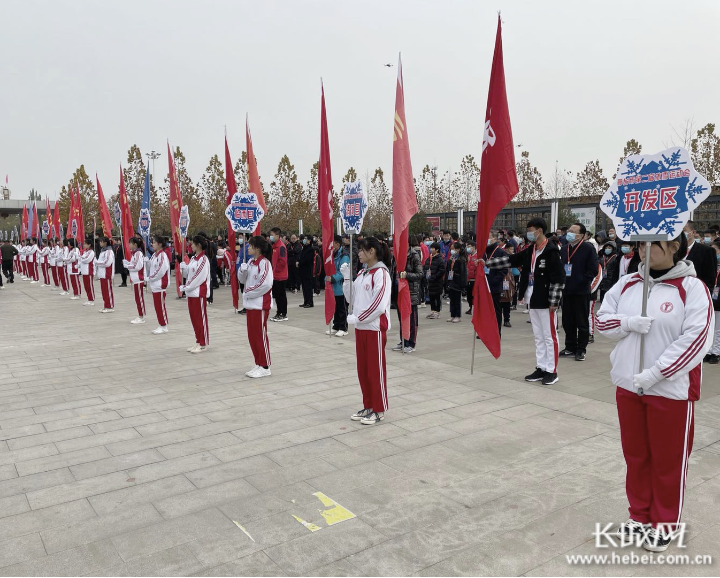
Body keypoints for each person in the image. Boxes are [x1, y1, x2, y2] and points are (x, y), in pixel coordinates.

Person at [597, 233, 715, 553]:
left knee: (668, 462)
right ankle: (639, 516)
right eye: (639, 245)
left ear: (674, 247)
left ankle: (664, 525)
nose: (641, 251)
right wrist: (629, 322)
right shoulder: (627, 284)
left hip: (670, 391)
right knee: (636, 457)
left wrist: (656, 373)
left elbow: (695, 341)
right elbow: (602, 322)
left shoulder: (692, 289)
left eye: (651, 244)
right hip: (628, 385)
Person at [485, 218, 565, 385]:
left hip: (546, 300)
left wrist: (554, 300)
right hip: (532, 297)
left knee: (549, 336)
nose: (529, 234)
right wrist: (486, 263)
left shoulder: (551, 251)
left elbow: (558, 278)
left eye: (531, 230)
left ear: (540, 231)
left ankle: (552, 371)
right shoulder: (531, 250)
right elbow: (511, 260)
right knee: (538, 336)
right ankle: (541, 367)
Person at [343, 237, 392, 425]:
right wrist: (347, 278)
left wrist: (359, 318)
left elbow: (379, 305)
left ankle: (379, 409)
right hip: (361, 329)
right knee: (363, 370)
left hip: (374, 329)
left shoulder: (381, 274)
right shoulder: (363, 273)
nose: (359, 253)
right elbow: (351, 299)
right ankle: (369, 405)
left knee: (375, 370)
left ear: (372, 252)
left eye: (362, 250)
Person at [559, 223, 599, 362]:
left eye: (572, 231)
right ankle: (570, 346)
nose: (569, 233)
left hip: (581, 291)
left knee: (581, 321)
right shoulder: (564, 249)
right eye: (568, 230)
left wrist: (583, 281)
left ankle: (581, 349)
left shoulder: (588, 248)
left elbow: (593, 269)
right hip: (566, 290)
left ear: (581, 235)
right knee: (567, 320)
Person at [238, 236, 275, 378]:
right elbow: (243, 280)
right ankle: (258, 362)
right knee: (252, 336)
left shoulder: (264, 263)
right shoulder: (250, 262)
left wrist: (248, 292)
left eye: (250, 246)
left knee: (260, 335)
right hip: (250, 304)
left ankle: (265, 366)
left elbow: (265, 284)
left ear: (257, 248)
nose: (248, 248)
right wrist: (242, 271)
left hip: (260, 304)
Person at [180, 235, 211, 354]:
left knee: (200, 318)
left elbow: (199, 277)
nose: (191, 245)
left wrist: (187, 287)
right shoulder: (193, 258)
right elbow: (189, 274)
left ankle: (203, 343)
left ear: (198, 245)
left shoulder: (203, 259)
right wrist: (185, 268)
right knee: (194, 318)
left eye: (192, 244)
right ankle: (198, 340)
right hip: (191, 293)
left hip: (198, 292)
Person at [393, 234, 423, 352]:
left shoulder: (414, 256)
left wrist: (407, 275)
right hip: (399, 291)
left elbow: (420, 274)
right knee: (401, 318)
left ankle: (411, 343)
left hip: (411, 293)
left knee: (411, 319)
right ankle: (403, 340)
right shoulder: (397, 256)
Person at [683, 221, 717, 294]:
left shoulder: (706, 251)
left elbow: (710, 279)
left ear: (693, 232)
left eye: (684, 231)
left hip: (697, 293)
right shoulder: (673, 251)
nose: (681, 234)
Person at [327, 235, 350, 337]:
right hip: (333, 286)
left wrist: (333, 278)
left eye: (332, 244)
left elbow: (342, 272)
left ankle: (343, 328)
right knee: (335, 307)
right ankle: (336, 326)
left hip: (341, 286)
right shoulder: (332, 255)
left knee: (342, 308)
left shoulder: (344, 256)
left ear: (337, 244)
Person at [483, 237, 508, 333]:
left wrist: (494, 280)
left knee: (496, 310)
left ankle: (496, 332)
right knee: (485, 311)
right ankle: (485, 331)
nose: (487, 239)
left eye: (489, 237)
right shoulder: (483, 252)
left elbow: (504, 270)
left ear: (494, 238)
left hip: (494, 287)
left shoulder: (500, 252)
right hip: (484, 286)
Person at [148, 235, 171, 335]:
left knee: (160, 306)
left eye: (154, 242)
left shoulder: (163, 255)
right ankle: (161, 324)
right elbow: (151, 267)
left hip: (160, 284)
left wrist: (151, 277)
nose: (152, 244)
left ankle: (164, 325)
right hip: (154, 284)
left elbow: (161, 270)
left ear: (160, 244)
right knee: (157, 306)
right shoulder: (154, 255)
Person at [123, 237, 147, 325]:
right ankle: (140, 315)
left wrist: (127, 266)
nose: (129, 245)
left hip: (139, 279)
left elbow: (137, 266)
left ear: (135, 244)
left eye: (130, 243)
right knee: (137, 299)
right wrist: (128, 263)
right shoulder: (134, 254)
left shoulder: (138, 253)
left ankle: (141, 316)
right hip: (136, 280)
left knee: (139, 299)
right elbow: (133, 264)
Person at [269, 227, 289, 322]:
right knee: (277, 295)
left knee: (281, 295)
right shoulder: (274, 246)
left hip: (280, 275)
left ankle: (283, 314)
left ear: (277, 235)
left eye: (272, 235)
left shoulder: (281, 247)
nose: (271, 237)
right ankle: (278, 312)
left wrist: (275, 270)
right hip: (275, 275)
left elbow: (282, 262)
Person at [706, 240, 720, 364]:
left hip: (718, 302)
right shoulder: (712, 266)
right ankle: (709, 351)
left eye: (715, 251)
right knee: (710, 327)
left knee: (718, 329)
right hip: (711, 299)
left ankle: (716, 352)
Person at [424, 242, 445, 320]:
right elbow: (425, 267)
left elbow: (442, 270)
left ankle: (437, 312)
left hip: (437, 281)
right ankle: (432, 311)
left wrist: (435, 277)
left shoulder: (440, 259)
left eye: (433, 248)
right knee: (431, 296)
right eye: (431, 248)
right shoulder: (429, 258)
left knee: (437, 297)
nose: (431, 249)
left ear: (437, 250)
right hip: (430, 281)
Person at [447, 242, 468, 323]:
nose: (452, 250)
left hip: (457, 281)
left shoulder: (461, 259)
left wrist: (463, 284)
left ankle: (457, 315)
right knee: (452, 299)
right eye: (451, 249)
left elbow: (463, 273)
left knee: (457, 300)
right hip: (451, 280)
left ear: (458, 249)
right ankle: (452, 315)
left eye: (453, 249)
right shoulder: (452, 258)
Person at [95, 236, 116, 313]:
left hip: (107, 273)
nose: (100, 243)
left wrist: (97, 263)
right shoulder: (102, 251)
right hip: (102, 274)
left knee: (108, 290)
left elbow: (107, 263)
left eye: (101, 241)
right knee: (104, 291)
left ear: (105, 242)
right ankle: (106, 305)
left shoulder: (109, 251)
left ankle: (110, 306)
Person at [298, 235, 315, 308]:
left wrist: (300, 262)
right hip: (302, 270)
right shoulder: (304, 248)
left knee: (308, 287)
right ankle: (305, 301)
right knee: (304, 287)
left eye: (306, 239)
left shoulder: (311, 249)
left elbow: (307, 260)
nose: (304, 240)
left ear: (309, 240)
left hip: (307, 270)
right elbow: (301, 257)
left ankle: (310, 302)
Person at [79, 238, 96, 306]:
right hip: (84, 271)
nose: (84, 245)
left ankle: (91, 299)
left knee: (89, 286)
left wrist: (80, 258)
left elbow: (87, 260)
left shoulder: (91, 252)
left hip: (88, 271)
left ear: (89, 245)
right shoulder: (85, 252)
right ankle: (89, 299)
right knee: (86, 286)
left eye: (85, 244)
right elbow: (82, 259)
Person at [465, 242, 480, 316]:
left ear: (474, 247)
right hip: (468, 279)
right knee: (469, 295)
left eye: (469, 246)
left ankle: (475, 309)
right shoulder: (469, 256)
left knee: (474, 295)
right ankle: (471, 307)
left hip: (475, 279)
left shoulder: (478, 256)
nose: (468, 248)